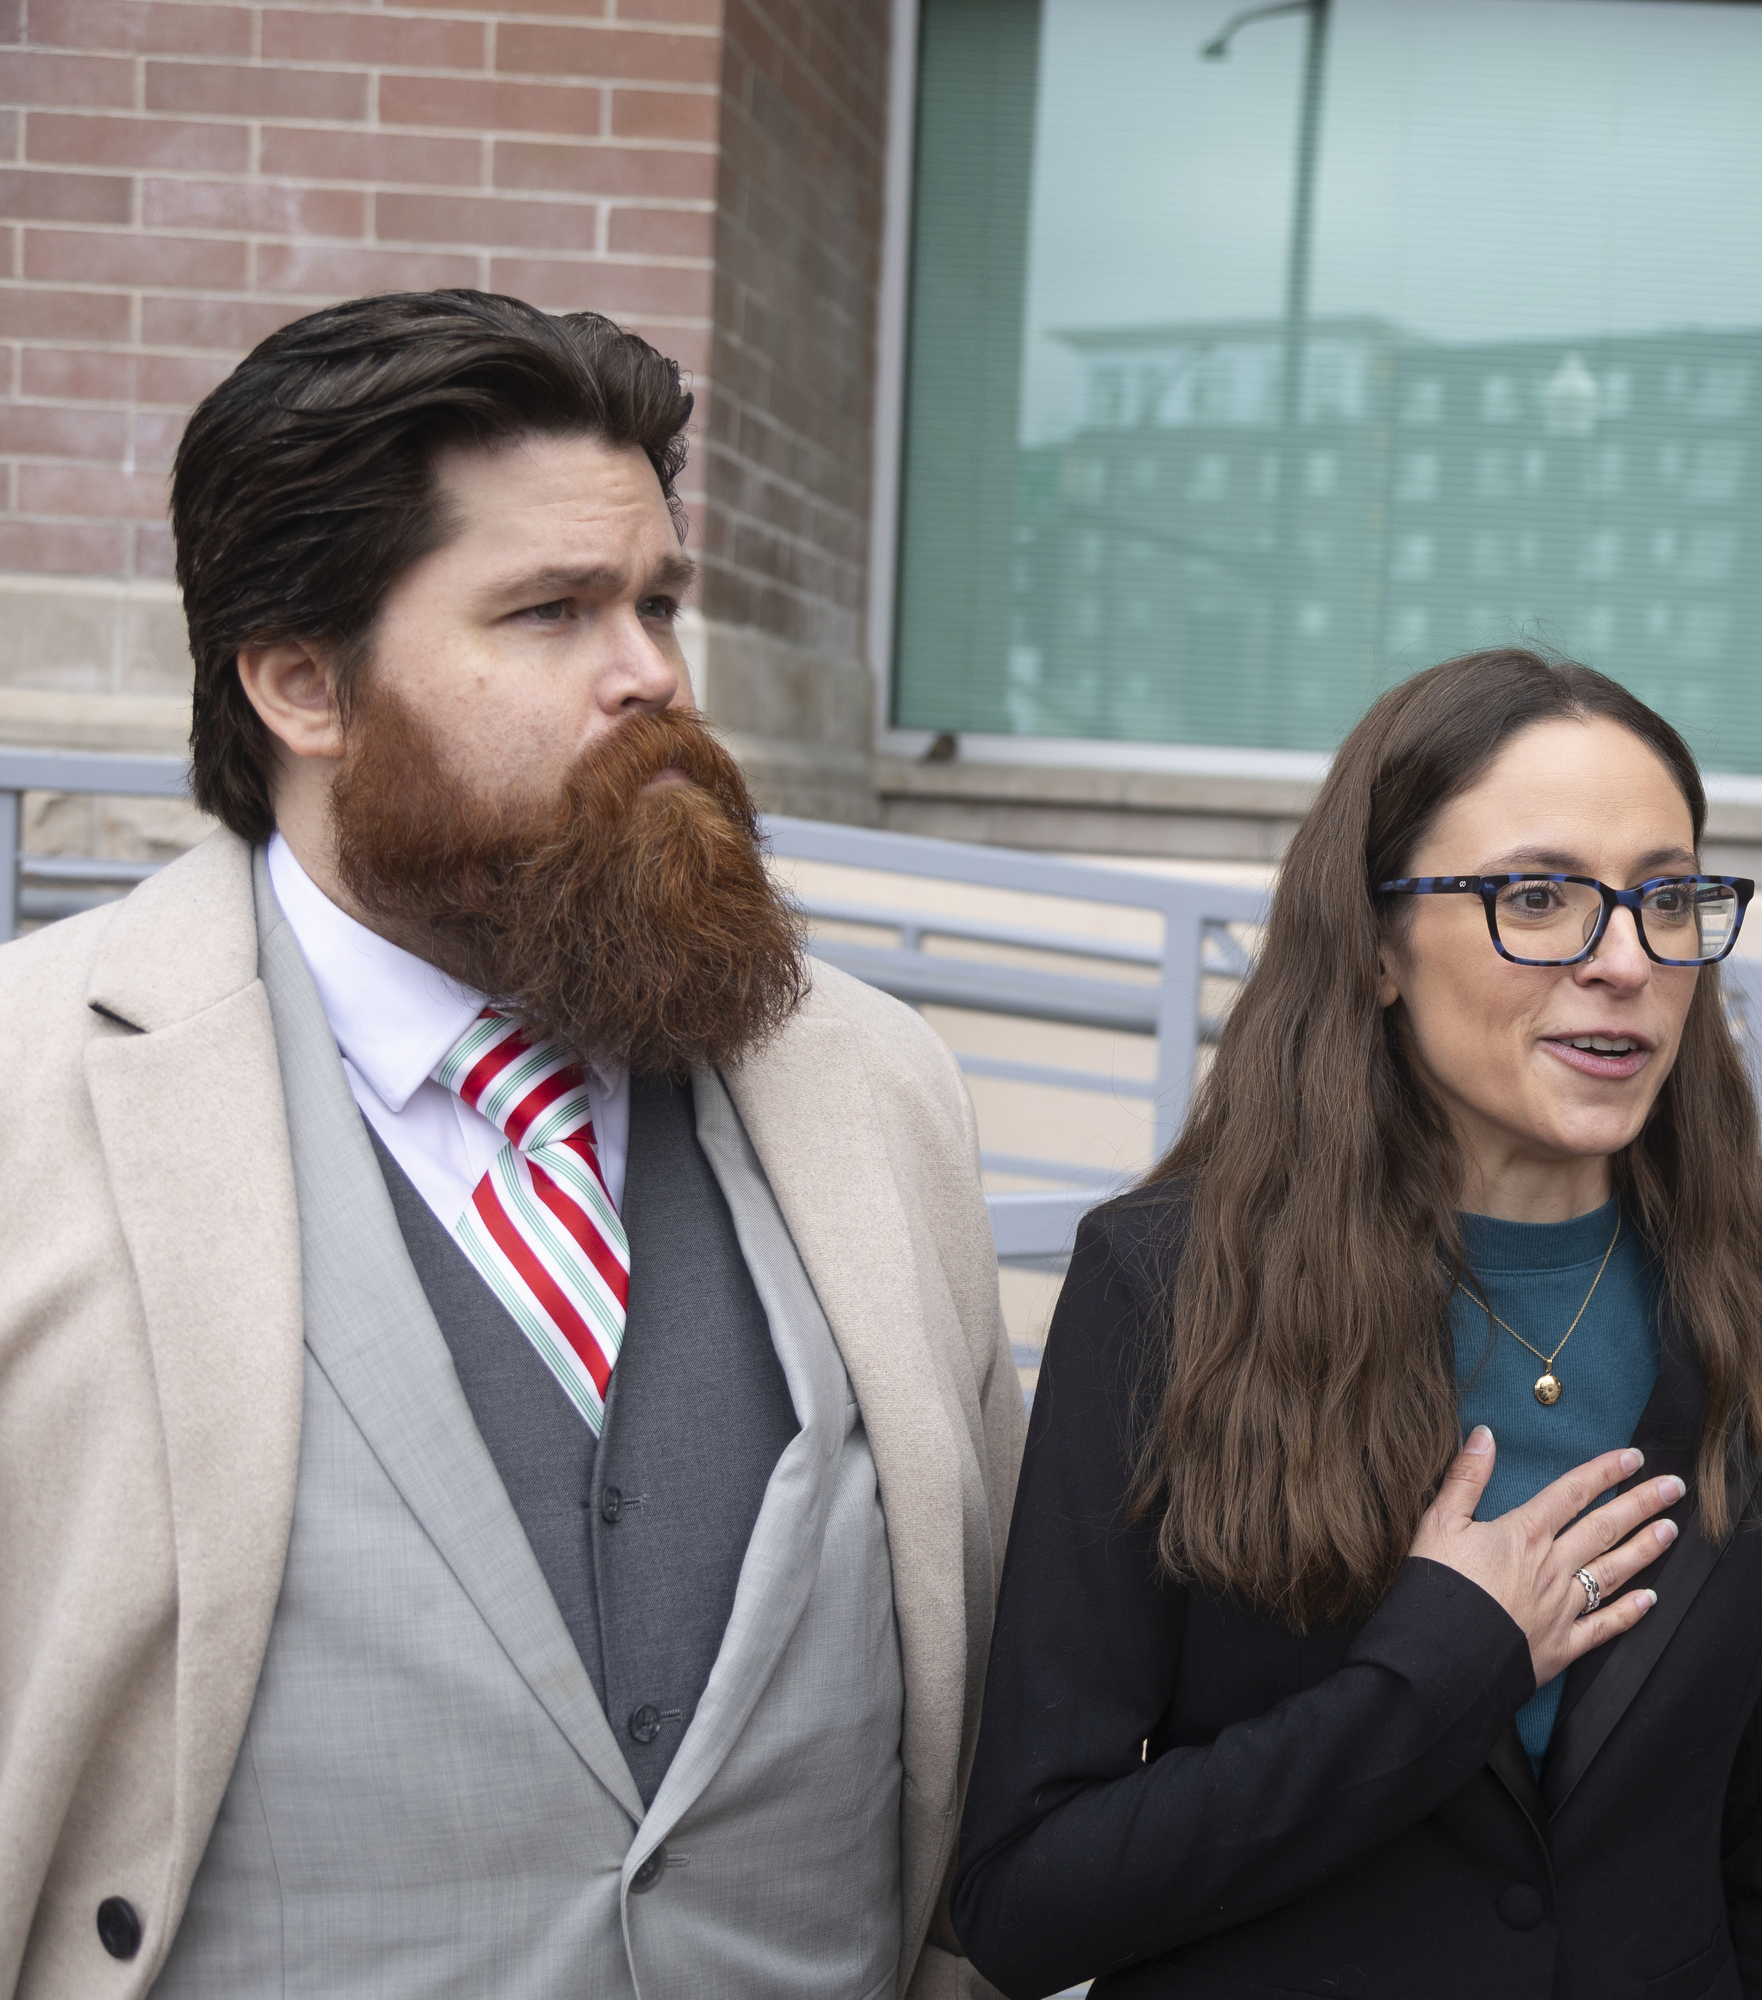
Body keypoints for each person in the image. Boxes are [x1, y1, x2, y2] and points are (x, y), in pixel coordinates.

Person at [0, 292, 1021, 1998]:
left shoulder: (876, 1084)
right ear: (300, 684)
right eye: (552, 612)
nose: (656, 677)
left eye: (658, 603)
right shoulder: (27, 1102)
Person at [949, 650, 1762, 1998]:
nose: (1625, 960)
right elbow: (1026, 1900)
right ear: (1379, 947)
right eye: (1539, 897)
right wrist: (1434, 1672)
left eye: (1667, 897)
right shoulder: (1168, 1286)